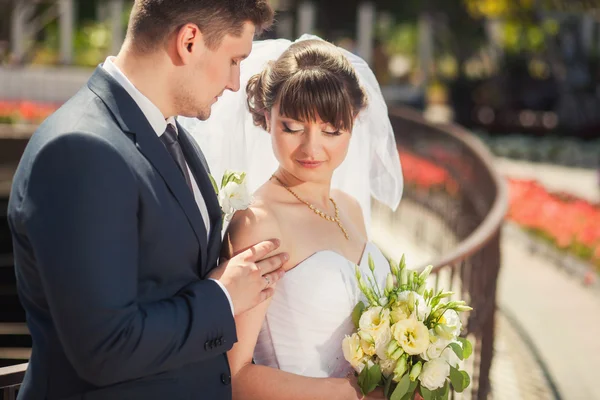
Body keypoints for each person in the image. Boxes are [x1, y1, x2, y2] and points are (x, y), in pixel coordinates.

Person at [6, 1, 285, 399]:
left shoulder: (174, 137)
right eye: (234, 60)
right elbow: (104, 348)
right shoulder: (81, 149)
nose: (235, 83)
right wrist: (222, 295)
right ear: (189, 41)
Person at [179, 36, 403, 400]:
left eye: (332, 130)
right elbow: (234, 375)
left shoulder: (350, 208)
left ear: (354, 122)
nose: (312, 148)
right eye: (293, 127)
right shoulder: (259, 223)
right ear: (266, 118)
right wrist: (352, 395)